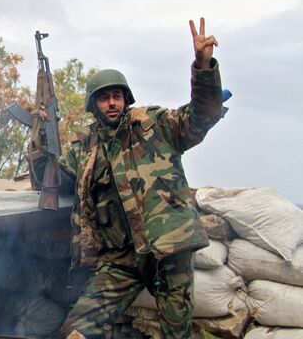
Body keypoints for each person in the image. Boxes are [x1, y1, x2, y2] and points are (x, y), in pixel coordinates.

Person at [35, 18, 222, 338]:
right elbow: (47, 180)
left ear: (126, 99)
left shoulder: (154, 125)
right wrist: (41, 132)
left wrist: (203, 69)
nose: (112, 103)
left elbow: (201, 117)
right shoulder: (85, 148)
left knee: (176, 331)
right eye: (104, 97)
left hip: (167, 249)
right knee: (77, 330)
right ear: (93, 104)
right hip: (119, 258)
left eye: (117, 96)